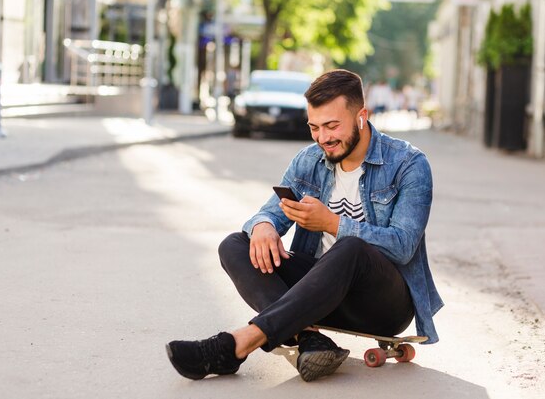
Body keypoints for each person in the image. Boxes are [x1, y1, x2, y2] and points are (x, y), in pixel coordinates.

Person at [165, 69, 443, 382]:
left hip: (383, 304)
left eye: (332, 126)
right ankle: (309, 338)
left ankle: (237, 344)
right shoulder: (309, 160)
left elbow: (403, 246)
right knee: (236, 243)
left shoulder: (409, 164)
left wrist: (332, 223)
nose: (323, 137)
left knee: (350, 247)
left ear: (362, 116)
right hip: (316, 296)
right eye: (314, 127)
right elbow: (269, 213)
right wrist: (264, 225)